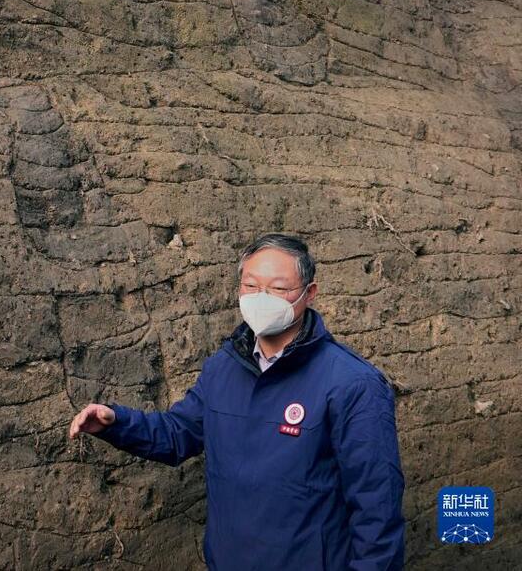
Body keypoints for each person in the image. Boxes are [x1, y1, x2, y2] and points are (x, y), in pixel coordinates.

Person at [68, 233, 405, 570]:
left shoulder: (353, 383)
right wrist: (117, 423)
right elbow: (178, 433)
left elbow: (377, 508)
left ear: (309, 294)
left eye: (278, 288)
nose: (262, 298)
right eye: (251, 286)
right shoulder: (224, 367)